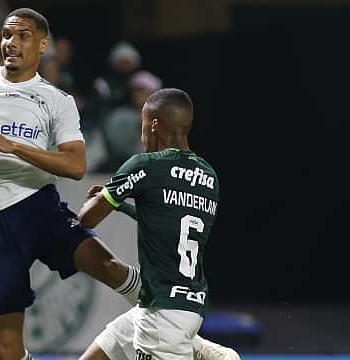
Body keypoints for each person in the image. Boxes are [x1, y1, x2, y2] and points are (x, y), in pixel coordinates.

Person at [0, 8, 236, 360]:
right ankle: (178, 329)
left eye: (22, 36)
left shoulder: (56, 101)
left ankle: (176, 328)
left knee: (109, 267)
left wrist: (14, 146)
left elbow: (76, 165)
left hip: (40, 209)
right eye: (6, 34)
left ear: (42, 44)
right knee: (5, 350)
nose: (11, 43)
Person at [77, 88, 239, 360]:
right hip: (183, 304)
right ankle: (194, 345)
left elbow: (86, 218)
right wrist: (125, 206)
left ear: (153, 125)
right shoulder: (209, 176)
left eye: (141, 126)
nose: (140, 136)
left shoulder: (145, 165)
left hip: (161, 316)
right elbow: (167, 219)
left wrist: (106, 198)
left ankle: (190, 347)